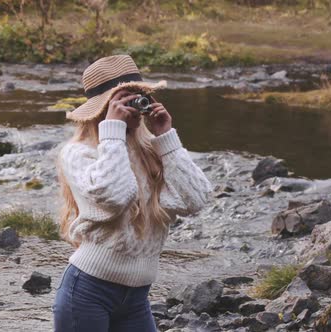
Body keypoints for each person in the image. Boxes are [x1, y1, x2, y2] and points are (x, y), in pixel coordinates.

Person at [53, 54, 213, 332]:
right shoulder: (78, 153)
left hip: (137, 298)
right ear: (103, 108)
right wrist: (112, 132)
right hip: (88, 293)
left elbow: (196, 199)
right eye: (124, 100)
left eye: (140, 97)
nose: (136, 107)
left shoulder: (152, 147)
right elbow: (116, 198)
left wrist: (166, 136)